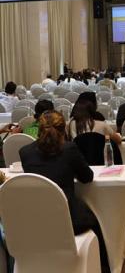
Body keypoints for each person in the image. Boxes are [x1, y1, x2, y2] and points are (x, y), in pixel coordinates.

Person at [19, 111, 110, 272]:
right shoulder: (69, 149)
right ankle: (103, 267)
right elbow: (87, 177)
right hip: (69, 221)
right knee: (96, 220)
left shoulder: (25, 152)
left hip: (36, 221)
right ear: (63, 130)